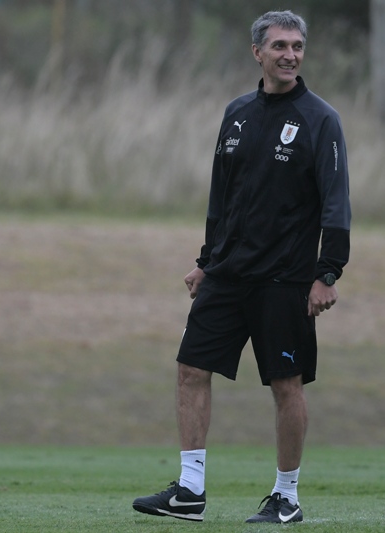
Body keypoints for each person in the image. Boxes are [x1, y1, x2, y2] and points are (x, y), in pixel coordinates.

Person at [132, 10, 351, 524]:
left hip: (285, 279)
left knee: (285, 385)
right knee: (190, 369)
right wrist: (206, 262)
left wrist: (327, 272)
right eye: (279, 46)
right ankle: (190, 491)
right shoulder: (237, 114)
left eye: (297, 46)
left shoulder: (321, 119)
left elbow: (336, 203)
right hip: (228, 275)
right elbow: (222, 198)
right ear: (257, 52)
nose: (290, 55)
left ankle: (286, 497)